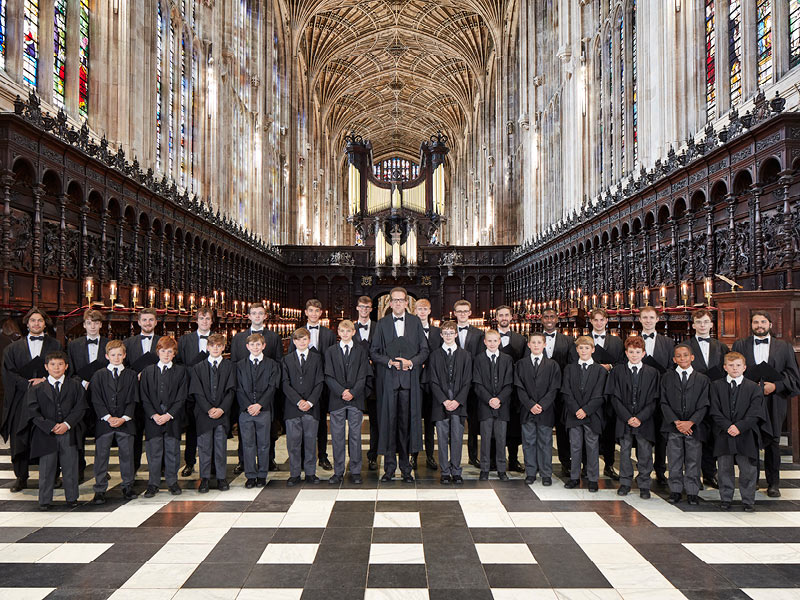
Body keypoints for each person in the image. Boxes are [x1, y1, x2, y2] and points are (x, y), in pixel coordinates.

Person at [732, 311, 800, 497]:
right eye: (755, 322)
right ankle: (751, 480)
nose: (759, 325)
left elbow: (793, 375)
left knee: (773, 443)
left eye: (763, 322)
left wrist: (775, 386)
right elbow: (733, 370)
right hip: (748, 401)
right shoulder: (740, 344)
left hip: (774, 401)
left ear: (770, 324)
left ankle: (773, 484)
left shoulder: (783, 346)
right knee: (750, 440)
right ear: (751, 325)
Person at [370, 287, 430, 482]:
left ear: (407, 303)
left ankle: (406, 468)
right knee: (388, 424)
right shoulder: (382, 323)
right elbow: (374, 352)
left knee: (406, 425)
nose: (397, 303)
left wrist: (411, 362)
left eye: (400, 300)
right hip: (388, 381)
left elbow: (424, 350)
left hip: (409, 382)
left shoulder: (415, 322)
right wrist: (389, 362)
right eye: (394, 300)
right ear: (389, 303)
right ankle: (388, 469)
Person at [2, 307, 61, 492]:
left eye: (40, 321)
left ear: (45, 324)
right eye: (33, 320)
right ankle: (21, 476)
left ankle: (53, 475)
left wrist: (44, 380)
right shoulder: (12, 348)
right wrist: (26, 383)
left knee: (48, 433)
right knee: (19, 435)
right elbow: (8, 372)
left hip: (48, 397)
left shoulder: (55, 345)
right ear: (27, 324)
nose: (36, 324)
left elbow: (62, 367)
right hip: (21, 397)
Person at [26, 351, 86, 510]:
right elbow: (32, 411)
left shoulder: (74, 386)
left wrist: (67, 424)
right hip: (46, 434)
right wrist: (49, 426)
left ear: (66, 366)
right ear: (46, 367)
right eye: (52, 364)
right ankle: (45, 500)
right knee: (47, 468)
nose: (56, 367)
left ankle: (72, 498)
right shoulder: (37, 388)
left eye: (60, 364)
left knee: (70, 467)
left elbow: (80, 408)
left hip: (68, 432)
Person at [230, 303, 283, 474]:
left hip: (266, 392)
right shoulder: (239, 338)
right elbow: (234, 364)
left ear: (265, 315)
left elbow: (278, 362)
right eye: (254, 313)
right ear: (249, 316)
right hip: (244, 393)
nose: (257, 316)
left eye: (261, 313)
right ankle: (243, 461)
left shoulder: (274, 337)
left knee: (269, 428)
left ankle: (269, 459)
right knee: (244, 428)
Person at [709, 352, 765, 511]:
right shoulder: (716, 386)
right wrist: (728, 426)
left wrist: (739, 426)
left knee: (747, 469)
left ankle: (748, 500)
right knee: (724, 469)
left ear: (744, 367)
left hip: (746, 433)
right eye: (731, 365)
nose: (735, 368)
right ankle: (726, 498)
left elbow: (755, 412)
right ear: (725, 367)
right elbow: (714, 410)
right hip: (723, 433)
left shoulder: (754, 388)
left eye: (738, 365)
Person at [606, 336, 659, 498]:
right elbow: (614, 397)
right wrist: (627, 416)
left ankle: (644, 484)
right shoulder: (617, 371)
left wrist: (640, 417)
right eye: (631, 352)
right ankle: (625, 482)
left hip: (645, 420)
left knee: (645, 452)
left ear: (643, 353)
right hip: (624, 419)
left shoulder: (652, 373)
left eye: (637, 352)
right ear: (626, 353)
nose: (634, 355)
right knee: (624, 452)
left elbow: (654, 399)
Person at [289, 299, 337, 471]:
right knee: (301, 421)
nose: (314, 314)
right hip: (301, 386)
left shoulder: (329, 334)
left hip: (321, 385)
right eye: (311, 310)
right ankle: (302, 458)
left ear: (321, 313)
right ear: (306, 312)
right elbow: (290, 360)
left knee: (321, 421)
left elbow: (333, 360)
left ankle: (322, 456)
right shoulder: (297, 333)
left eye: (317, 311)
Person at [89, 340, 138, 504]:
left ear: (124, 355)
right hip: (105, 422)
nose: (116, 358)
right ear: (106, 356)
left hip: (126, 421)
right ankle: (100, 489)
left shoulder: (131, 375)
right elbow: (96, 399)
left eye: (119, 354)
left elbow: (133, 399)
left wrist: (124, 417)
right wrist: (108, 417)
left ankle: (127, 486)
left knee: (127, 455)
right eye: (113, 355)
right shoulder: (99, 375)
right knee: (101, 456)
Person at [660, 343, 710, 505]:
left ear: (692, 357)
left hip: (693, 428)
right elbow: (664, 402)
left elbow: (704, 404)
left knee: (693, 460)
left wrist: (691, 422)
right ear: (674, 359)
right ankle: (675, 490)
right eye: (679, 356)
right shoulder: (667, 377)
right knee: (674, 459)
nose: (682, 358)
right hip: (673, 426)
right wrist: (677, 422)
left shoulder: (702, 379)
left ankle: (692, 491)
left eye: (685, 355)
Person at [140, 336, 187, 497]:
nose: (166, 354)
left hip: (172, 418)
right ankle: (153, 484)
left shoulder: (181, 371)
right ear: (157, 352)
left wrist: (169, 414)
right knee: (154, 452)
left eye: (170, 351)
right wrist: (153, 414)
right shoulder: (148, 371)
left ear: (174, 353)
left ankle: (172, 482)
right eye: (163, 351)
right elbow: (144, 396)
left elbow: (182, 396)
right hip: (152, 419)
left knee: (172, 451)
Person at [324, 320, 370, 485]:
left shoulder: (360, 351)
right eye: (342, 331)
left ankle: (356, 471)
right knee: (337, 437)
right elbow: (328, 375)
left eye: (348, 331)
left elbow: (363, 375)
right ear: (338, 332)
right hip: (337, 399)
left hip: (355, 399)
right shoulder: (330, 351)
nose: (345, 333)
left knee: (355, 436)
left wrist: (353, 392)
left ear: (353, 332)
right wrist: (341, 391)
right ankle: (338, 471)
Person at [687, 308, 728, 489]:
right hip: (694, 398)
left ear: (711, 324)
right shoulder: (686, 347)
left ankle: (710, 474)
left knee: (713, 436)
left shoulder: (721, 346)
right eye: (699, 322)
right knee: (696, 437)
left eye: (705, 322)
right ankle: (694, 476)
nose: (702, 325)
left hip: (716, 397)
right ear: (693, 325)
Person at [514, 332, 561, 485]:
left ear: (544, 345)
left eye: (539, 343)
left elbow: (554, 388)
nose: (536, 345)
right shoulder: (521, 364)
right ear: (528, 345)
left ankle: (546, 473)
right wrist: (530, 405)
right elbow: (519, 387)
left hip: (545, 411)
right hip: (527, 410)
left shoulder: (552, 365)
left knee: (545, 442)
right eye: (533, 343)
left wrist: (542, 405)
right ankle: (531, 472)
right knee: (528, 442)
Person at [427, 321, 471, 484]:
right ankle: (445, 471)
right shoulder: (435, 355)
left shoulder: (465, 355)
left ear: (456, 334)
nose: (447, 335)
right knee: (443, 438)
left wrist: (457, 400)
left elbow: (467, 381)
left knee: (458, 438)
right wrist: (445, 400)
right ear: (441, 335)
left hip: (459, 403)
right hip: (441, 403)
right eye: (444, 333)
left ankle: (456, 470)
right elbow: (433, 381)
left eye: (450, 333)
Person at [191, 333, 236, 493]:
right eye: (212, 346)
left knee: (220, 446)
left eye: (219, 346)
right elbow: (197, 392)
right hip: (204, 414)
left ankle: (221, 478)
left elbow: (231, 391)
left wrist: (221, 409)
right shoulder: (198, 368)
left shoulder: (229, 366)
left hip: (222, 414)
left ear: (223, 347)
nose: (216, 348)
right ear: (207, 347)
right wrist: (209, 409)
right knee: (204, 447)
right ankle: (204, 478)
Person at [582, 308, 623, 481]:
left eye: (602, 320)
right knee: (588, 429)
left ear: (607, 321)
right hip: (589, 391)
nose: (599, 323)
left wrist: (610, 367)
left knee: (609, 429)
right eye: (595, 320)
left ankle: (609, 465)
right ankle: (586, 466)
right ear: (591, 321)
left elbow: (622, 363)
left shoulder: (616, 341)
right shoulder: (584, 340)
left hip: (609, 389)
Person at [561, 336, 607, 491]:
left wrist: (586, 410)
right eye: (581, 348)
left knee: (592, 446)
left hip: (592, 415)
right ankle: (574, 477)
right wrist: (576, 410)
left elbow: (599, 394)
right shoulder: (569, 368)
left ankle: (593, 478)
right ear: (577, 350)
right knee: (575, 446)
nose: (584, 351)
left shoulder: (600, 370)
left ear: (593, 349)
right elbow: (566, 392)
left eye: (587, 348)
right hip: (574, 414)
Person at [67, 308, 108, 481]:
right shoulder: (73, 345)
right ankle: (79, 469)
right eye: (89, 323)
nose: (92, 326)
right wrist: (83, 382)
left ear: (100, 325)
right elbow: (69, 370)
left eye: (96, 323)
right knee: (79, 434)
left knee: (102, 435)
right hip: (80, 394)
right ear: (84, 325)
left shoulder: (109, 344)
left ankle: (102, 470)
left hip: (103, 396)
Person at [236, 333, 280, 488]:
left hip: (264, 410)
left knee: (263, 443)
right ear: (247, 347)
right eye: (252, 345)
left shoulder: (272, 364)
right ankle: (250, 475)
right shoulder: (240, 365)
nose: (255, 347)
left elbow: (272, 387)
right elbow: (238, 388)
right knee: (248, 444)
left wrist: (259, 404)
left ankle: (262, 474)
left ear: (264, 346)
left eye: (258, 344)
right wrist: (249, 405)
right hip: (245, 411)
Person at [638, 305, 675, 487]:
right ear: (640, 320)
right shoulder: (632, 340)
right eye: (645, 317)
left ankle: (660, 471)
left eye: (651, 317)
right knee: (642, 434)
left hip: (660, 393)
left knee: (662, 435)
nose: (648, 321)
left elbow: (671, 368)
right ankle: (642, 470)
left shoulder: (668, 343)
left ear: (657, 320)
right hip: (639, 395)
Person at [177, 307, 215, 478]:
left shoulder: (217, 338)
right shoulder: (185, 340)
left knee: (212, 428)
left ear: (212, 321)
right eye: (201, 318)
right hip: (191, 390)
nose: (205, 321)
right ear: (196, 320)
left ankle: (213, 463)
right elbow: (179, 363)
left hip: (212, 392)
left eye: (208, 319)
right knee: (192, 429)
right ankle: (189, 462)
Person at [283, 328, 324, 485]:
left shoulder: (316, 358)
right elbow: (285, 383)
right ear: (294, 342)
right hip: (293, 408)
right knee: (293, 443)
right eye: (298, 340)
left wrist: (310, 402)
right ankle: (294, 473)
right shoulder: (286, 360)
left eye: (305, 339)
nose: (302, 342)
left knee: (310, 441)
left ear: (309, 341)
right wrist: (298, 401)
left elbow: (319, 381)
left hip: (311, 407)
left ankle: (310, 473)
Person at [123, 308, 162, 475]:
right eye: (144, 320)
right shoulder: (128, 343)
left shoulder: (163, 341)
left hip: (158, 395)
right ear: (138, 322)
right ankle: (133, 468)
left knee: (157, 433)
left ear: (156, 322)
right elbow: (123, 368)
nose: (147, 323)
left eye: (151, 320)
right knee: (136, 432)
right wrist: (135, 375)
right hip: (136, 395)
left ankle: (161, 468)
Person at [473, 329, 514, 481]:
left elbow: (509, 383)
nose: (492, 343)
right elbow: (477, 383)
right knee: (485, 438)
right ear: (484, 342)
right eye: (489, 341)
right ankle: (484, 469)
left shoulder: (507, 359)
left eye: (494, 340)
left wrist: (499, 399)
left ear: (499, 342)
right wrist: (489, 399)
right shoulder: (478, 359)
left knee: (501, 438)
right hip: (485, 405)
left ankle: (501, 469)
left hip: (502, 405)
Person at [541, 306, 574, 477]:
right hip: (541, 392)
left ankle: (566, 461)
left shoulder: (567, 341)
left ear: (557, 319)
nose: (549, 320)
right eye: (546, 317)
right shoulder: (534, 339)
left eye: (552, 317)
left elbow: (570, 366)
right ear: (542, 319)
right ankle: (540, 463)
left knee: (562, 428)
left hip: (560, 392)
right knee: (541, 428)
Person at [496, 305, 528, 473]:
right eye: (501, 315)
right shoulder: (488, 337)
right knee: (495, 425)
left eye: (506, 315)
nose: (504, 318)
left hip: (514, 390)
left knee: (514, 428)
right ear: (496, 318)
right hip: (495, 389)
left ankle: (514, 459)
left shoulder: (521, 339)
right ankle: (495, 460)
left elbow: (523, 365)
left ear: (511, 317)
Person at [453, 299, 484, 468]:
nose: (462, 314)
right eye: (459, 311)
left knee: (473, 423)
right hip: (453, 385)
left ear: (470, 313)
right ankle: (453, 458)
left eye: (465, 311)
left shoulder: (479, 334)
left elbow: (479, 360)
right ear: (455, 313)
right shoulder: (448, 332)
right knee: (453, 422)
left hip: (471, 385)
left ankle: (473, 456)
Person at [412, 298, 439, 470]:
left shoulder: (438, 332)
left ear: (429, 311)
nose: (422, 312)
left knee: (430, 422)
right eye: (419, 309)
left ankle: (430, 456)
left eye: (425, 309)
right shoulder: (410, 331)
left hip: (433, 381)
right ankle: (413, 456)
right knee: (414, 420)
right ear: (415, 311)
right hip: (414, 380)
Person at [354, 296, 380, 471]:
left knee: (375, 422)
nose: (364, 309)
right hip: (354, 382)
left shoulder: (378, 328)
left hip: (375, 382)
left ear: (371, 309)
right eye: (361, 307)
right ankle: (354, 459)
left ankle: (373, 456)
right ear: (357, 308)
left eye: (367, 307)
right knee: (354, 422)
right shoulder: (349, 328)